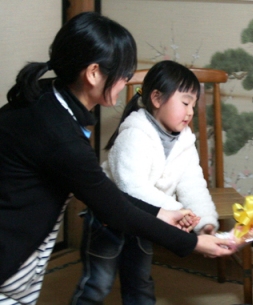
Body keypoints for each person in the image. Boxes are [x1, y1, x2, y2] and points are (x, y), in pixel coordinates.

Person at [0, 12, 235, 305]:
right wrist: (194, 243)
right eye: (124, 73)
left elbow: (105, 193)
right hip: (11, 247)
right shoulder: (61, 133)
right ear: (94, 73)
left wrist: (161, 214)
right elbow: (111, 207)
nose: (127, 83)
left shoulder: (48, 99)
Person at [71, 60, 220, 304]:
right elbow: (133, 188)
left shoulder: (184, 140)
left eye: (193, 104)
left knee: (139, 282)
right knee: (98, 283)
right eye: (185, 103)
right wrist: (176, 212)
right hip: (108, 221)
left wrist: (204, 223)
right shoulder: (134, 133)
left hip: (147, 221)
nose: (191, 111)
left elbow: (193, 183)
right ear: (157, 98)